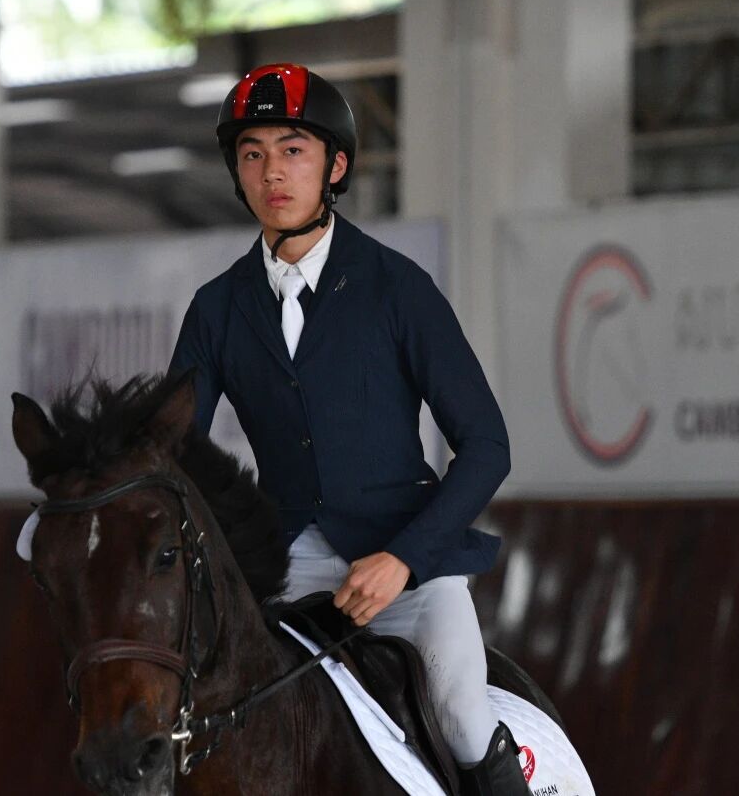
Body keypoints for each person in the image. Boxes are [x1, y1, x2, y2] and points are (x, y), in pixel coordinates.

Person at [168, 62, 527, 796]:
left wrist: (405, 559)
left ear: (334, 166)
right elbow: (174, 449)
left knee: (461, 715)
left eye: (292, 149)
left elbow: (487, 446)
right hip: (285, 569)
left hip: (408, 566)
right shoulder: (216, 308)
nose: (272, 172)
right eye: (252, 154)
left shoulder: (398, 287)